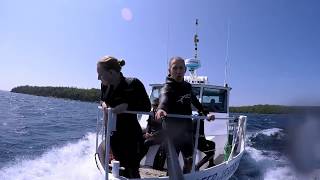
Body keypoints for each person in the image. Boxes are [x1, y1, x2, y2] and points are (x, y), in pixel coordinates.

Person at [155, 56, 214, 173]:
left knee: (189, 161)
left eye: (181, 68)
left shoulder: (187, 87)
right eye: (175, 68)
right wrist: (160, 109)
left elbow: (195, 102)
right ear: (169, 71)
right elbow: (164, 100)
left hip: (187, 131)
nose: (178, 71)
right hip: (172, 132)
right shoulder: (166, 88)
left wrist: (205, 114)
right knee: (173, 164)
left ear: (185, 70)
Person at [97, 55, 151, 178]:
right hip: (113, 134)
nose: (98, 77)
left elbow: (147, 107)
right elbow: (101, 100)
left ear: (111, 72)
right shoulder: (104, 85)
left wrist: (127, 107)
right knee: (120, 169)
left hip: (130, 136)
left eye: (100, 74)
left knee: (132, 170)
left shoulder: (132, 84)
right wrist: (104, 104)